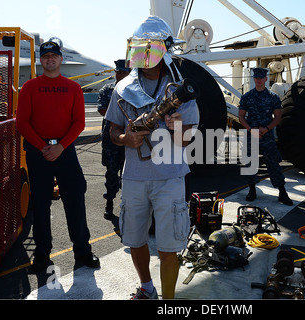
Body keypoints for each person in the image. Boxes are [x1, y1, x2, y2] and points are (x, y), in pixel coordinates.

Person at [104, 16, 199, 299]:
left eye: (152, 49)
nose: (146, 56)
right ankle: (147, 288)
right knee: (134, 239)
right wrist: (125, 139)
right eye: (141, 49)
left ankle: (168, 301)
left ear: (165, 51)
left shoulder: (181, 91)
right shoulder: (123, 89)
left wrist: (178, 127)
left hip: (170, 178)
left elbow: (187, 140)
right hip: (134, 177)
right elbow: (113, 130)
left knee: (169, 246)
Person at [16, 41, 100, 271]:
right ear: (40, 61)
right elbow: (22, 122)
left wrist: (60, 147)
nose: (50, 59)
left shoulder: (73, 88)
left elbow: (79, 122)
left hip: (65, 151)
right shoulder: (29, 88)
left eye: (54, 56)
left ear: (61, 59)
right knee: (41, 205)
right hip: (38, 151)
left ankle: (82, 251)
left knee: (75, 202)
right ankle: (42, 255)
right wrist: (43, 147)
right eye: (46, 56)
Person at [238, 67, 292, 205]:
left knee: (273, 163)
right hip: (252, 135)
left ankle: (282, 192)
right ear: (254, 79)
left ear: (266, 79)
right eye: (257, 78)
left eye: (261, 78)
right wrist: (250, 129)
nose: (259, 80)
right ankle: (252, 190)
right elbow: (241, 116)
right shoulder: (247, 97)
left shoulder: (273, 97)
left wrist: (266, 129)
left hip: (267, 136)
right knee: (250, 163)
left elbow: (278, 116)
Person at [97, 59, 130, 220]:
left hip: (130, 139)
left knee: (129, 174)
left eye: (124, 72)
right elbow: (103, 110)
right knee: (111, 172)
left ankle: (127, 205)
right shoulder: (107, 90)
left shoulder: (134, 90)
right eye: (119, 72)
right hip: (110, 139)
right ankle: (109, 203)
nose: (121, 75)